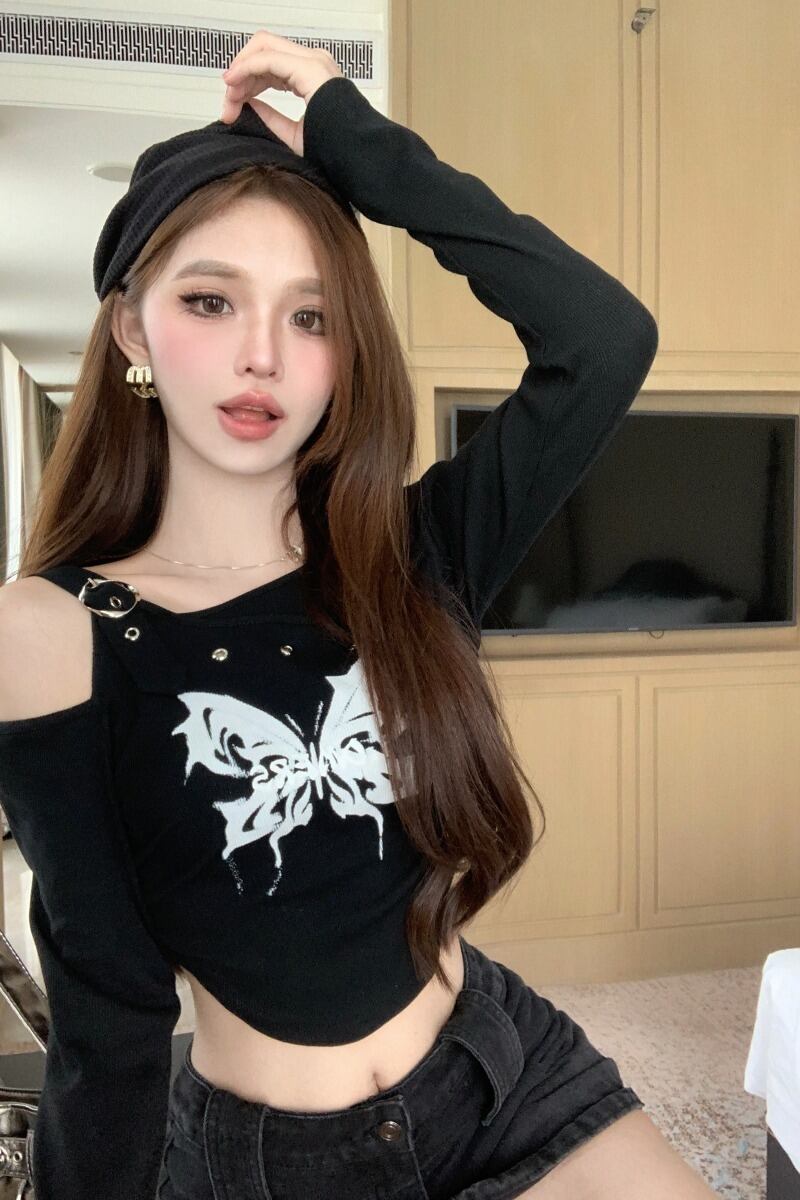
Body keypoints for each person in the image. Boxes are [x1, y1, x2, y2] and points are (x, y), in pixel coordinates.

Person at [0, 28, 718, 1200]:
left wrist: (359, 143)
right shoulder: (54, 631)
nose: (261, 357)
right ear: (131, 329)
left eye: (311, 315)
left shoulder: (412, 556)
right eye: (209, 300)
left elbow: (601, 340)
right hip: (280, 1164)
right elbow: (108, 1013)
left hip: (500, 1068)